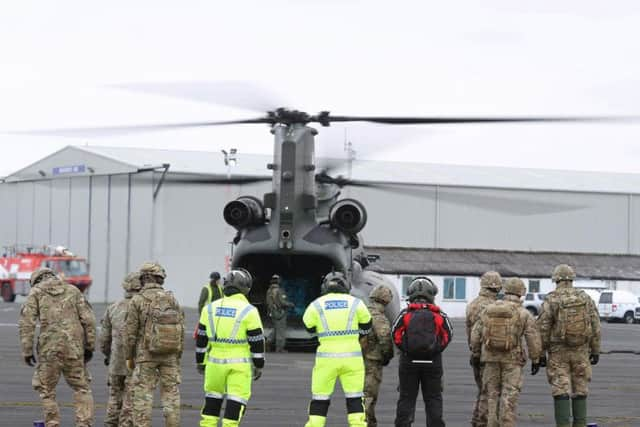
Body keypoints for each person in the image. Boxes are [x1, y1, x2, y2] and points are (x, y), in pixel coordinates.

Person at [18, 267, 96, 427]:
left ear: (36, 281)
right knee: (82, 388)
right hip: (74, 348)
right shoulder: (73, 291)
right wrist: (89, 346)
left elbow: (27, 323)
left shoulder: (36, 293)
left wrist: (27, 350)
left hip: (49, 350)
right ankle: (84, 424)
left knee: (46, 390)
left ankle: (52, 423)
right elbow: (89, 320)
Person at [195, 268, 265, 427]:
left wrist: (200, 362)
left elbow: (201, 340)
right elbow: (257, 341)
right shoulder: (249, 311)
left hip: (214, 364)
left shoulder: (209, 309)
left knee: (212, 401)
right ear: (245, 288)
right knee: (236, 401)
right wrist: (259, 365)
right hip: (239, 365)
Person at [303, 272, 372, 427]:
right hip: (352, 359)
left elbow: (308, 327)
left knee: (320, 398)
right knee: (355, 398)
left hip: (326, 361)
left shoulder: (317, 304)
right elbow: (367, 325)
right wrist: (357, 336)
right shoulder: (356, 303)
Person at [470, 278, 542, 427]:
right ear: (521, 293)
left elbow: (475, 335)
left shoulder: (488, 310)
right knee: (509, 397)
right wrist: (536, 359)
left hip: (490, 359)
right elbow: (532, 337)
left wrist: (477, 354)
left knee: (491, 396)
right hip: (513, 361)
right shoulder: (523, 313)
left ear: (505, 291)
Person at [536, 264, 601, 427]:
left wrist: (540, 354)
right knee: (580, 389)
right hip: (581, 351)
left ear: (556, 279)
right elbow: (595, 325)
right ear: (572, 279)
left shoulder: (551, 299)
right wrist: (595, 350)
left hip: (558, 352)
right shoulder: (585, 298)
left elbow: (542, 328)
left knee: (561, 389)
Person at [124, 262, 185, 427]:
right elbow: (181, 328)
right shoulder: (172, 299)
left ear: (143, 279)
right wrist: (177, 355)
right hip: (170, 355)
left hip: (146, 356)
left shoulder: (137, 300)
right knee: (171, 396)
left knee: (143, 396)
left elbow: (130, 333)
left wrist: (129, 356)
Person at [392, 277, 452, 427]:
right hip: (433, 363)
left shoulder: (406, 313)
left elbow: (395, 334)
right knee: (433, 399)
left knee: (406, 398)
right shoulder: (438, 314)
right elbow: (448, 335)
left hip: (408, 363)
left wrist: (406, 350)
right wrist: (436, 350)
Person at [100, 271, 142, 427]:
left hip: (116, 361)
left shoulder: (113, 307)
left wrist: (108, 355)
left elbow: (104, 339)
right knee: (130, 400)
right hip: (134, 361)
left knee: (114, 397)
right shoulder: (143, 307)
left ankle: (110, 423)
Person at [465, 271, 502, 427]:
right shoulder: (495, 306)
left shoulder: (472, 304)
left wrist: (474, 350)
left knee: (481, 390)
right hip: (490, 354)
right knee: (489, 392)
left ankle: (476, 420)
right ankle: (483, 422)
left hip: (475, 353)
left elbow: (469, 331)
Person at [362, 284, 394, 427]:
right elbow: (385, 338)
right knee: (369, 395)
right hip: (372, 361)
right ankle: (367, 423)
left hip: (356, 358)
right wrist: (387, 357)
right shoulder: (379, 318)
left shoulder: (361, 312)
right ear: (386, 301)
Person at [265, 274, 294, 352]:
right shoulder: (280, 290)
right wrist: (290, 304)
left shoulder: (269, 291)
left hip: (272, 313)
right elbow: (282, 302)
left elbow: (268, 302)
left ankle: (268, 341)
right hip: (280, 313)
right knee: (280, 330)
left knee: (276, 328)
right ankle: (279, 348)